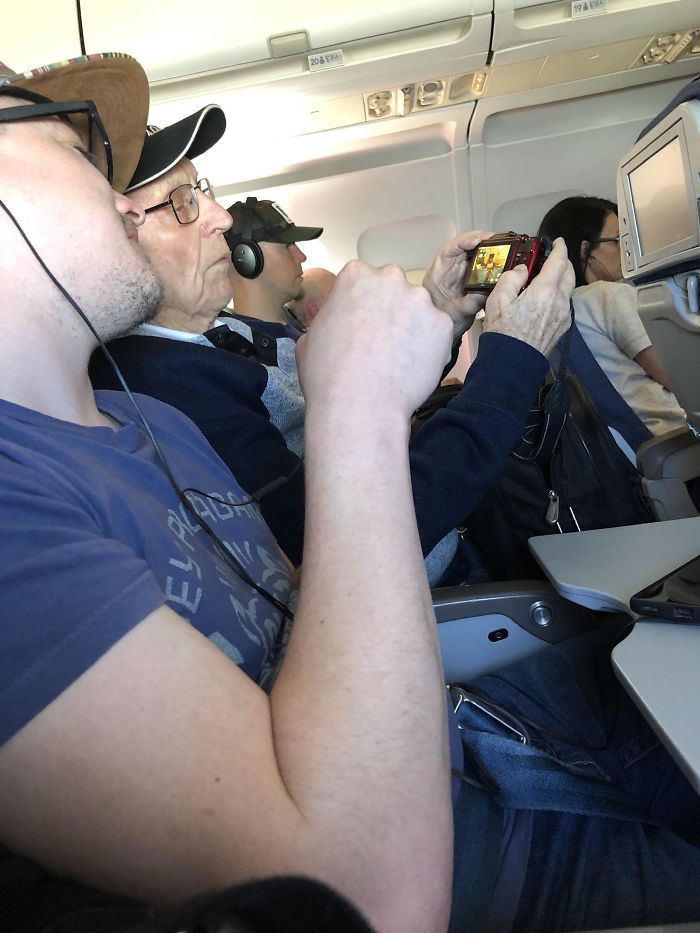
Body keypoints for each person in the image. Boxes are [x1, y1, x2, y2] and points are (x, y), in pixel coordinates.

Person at [2, 53, 700, 933]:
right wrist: (358, 407)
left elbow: (310, 596)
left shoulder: (150, 423)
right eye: (71, 146)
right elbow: (368, 904)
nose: (213, 215)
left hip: (455, 723)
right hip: (455, 840)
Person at [90, 116, 570, 584]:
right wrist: (512, 358)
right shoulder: (157, 387)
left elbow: (375, 402)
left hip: (454, 544)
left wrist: (443, 311)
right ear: (115, 236)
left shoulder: (233, 328)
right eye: (182, 202)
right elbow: (342, 544)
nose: (221, 217)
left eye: (204, 191)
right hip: (430, 603)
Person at [538, 195, 688, 436]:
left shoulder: (556, 312)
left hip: (628, 451)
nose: (626, 248)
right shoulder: (609, 295)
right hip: (675, 437)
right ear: (586, 250)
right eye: (617, 239)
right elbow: (683, 382)